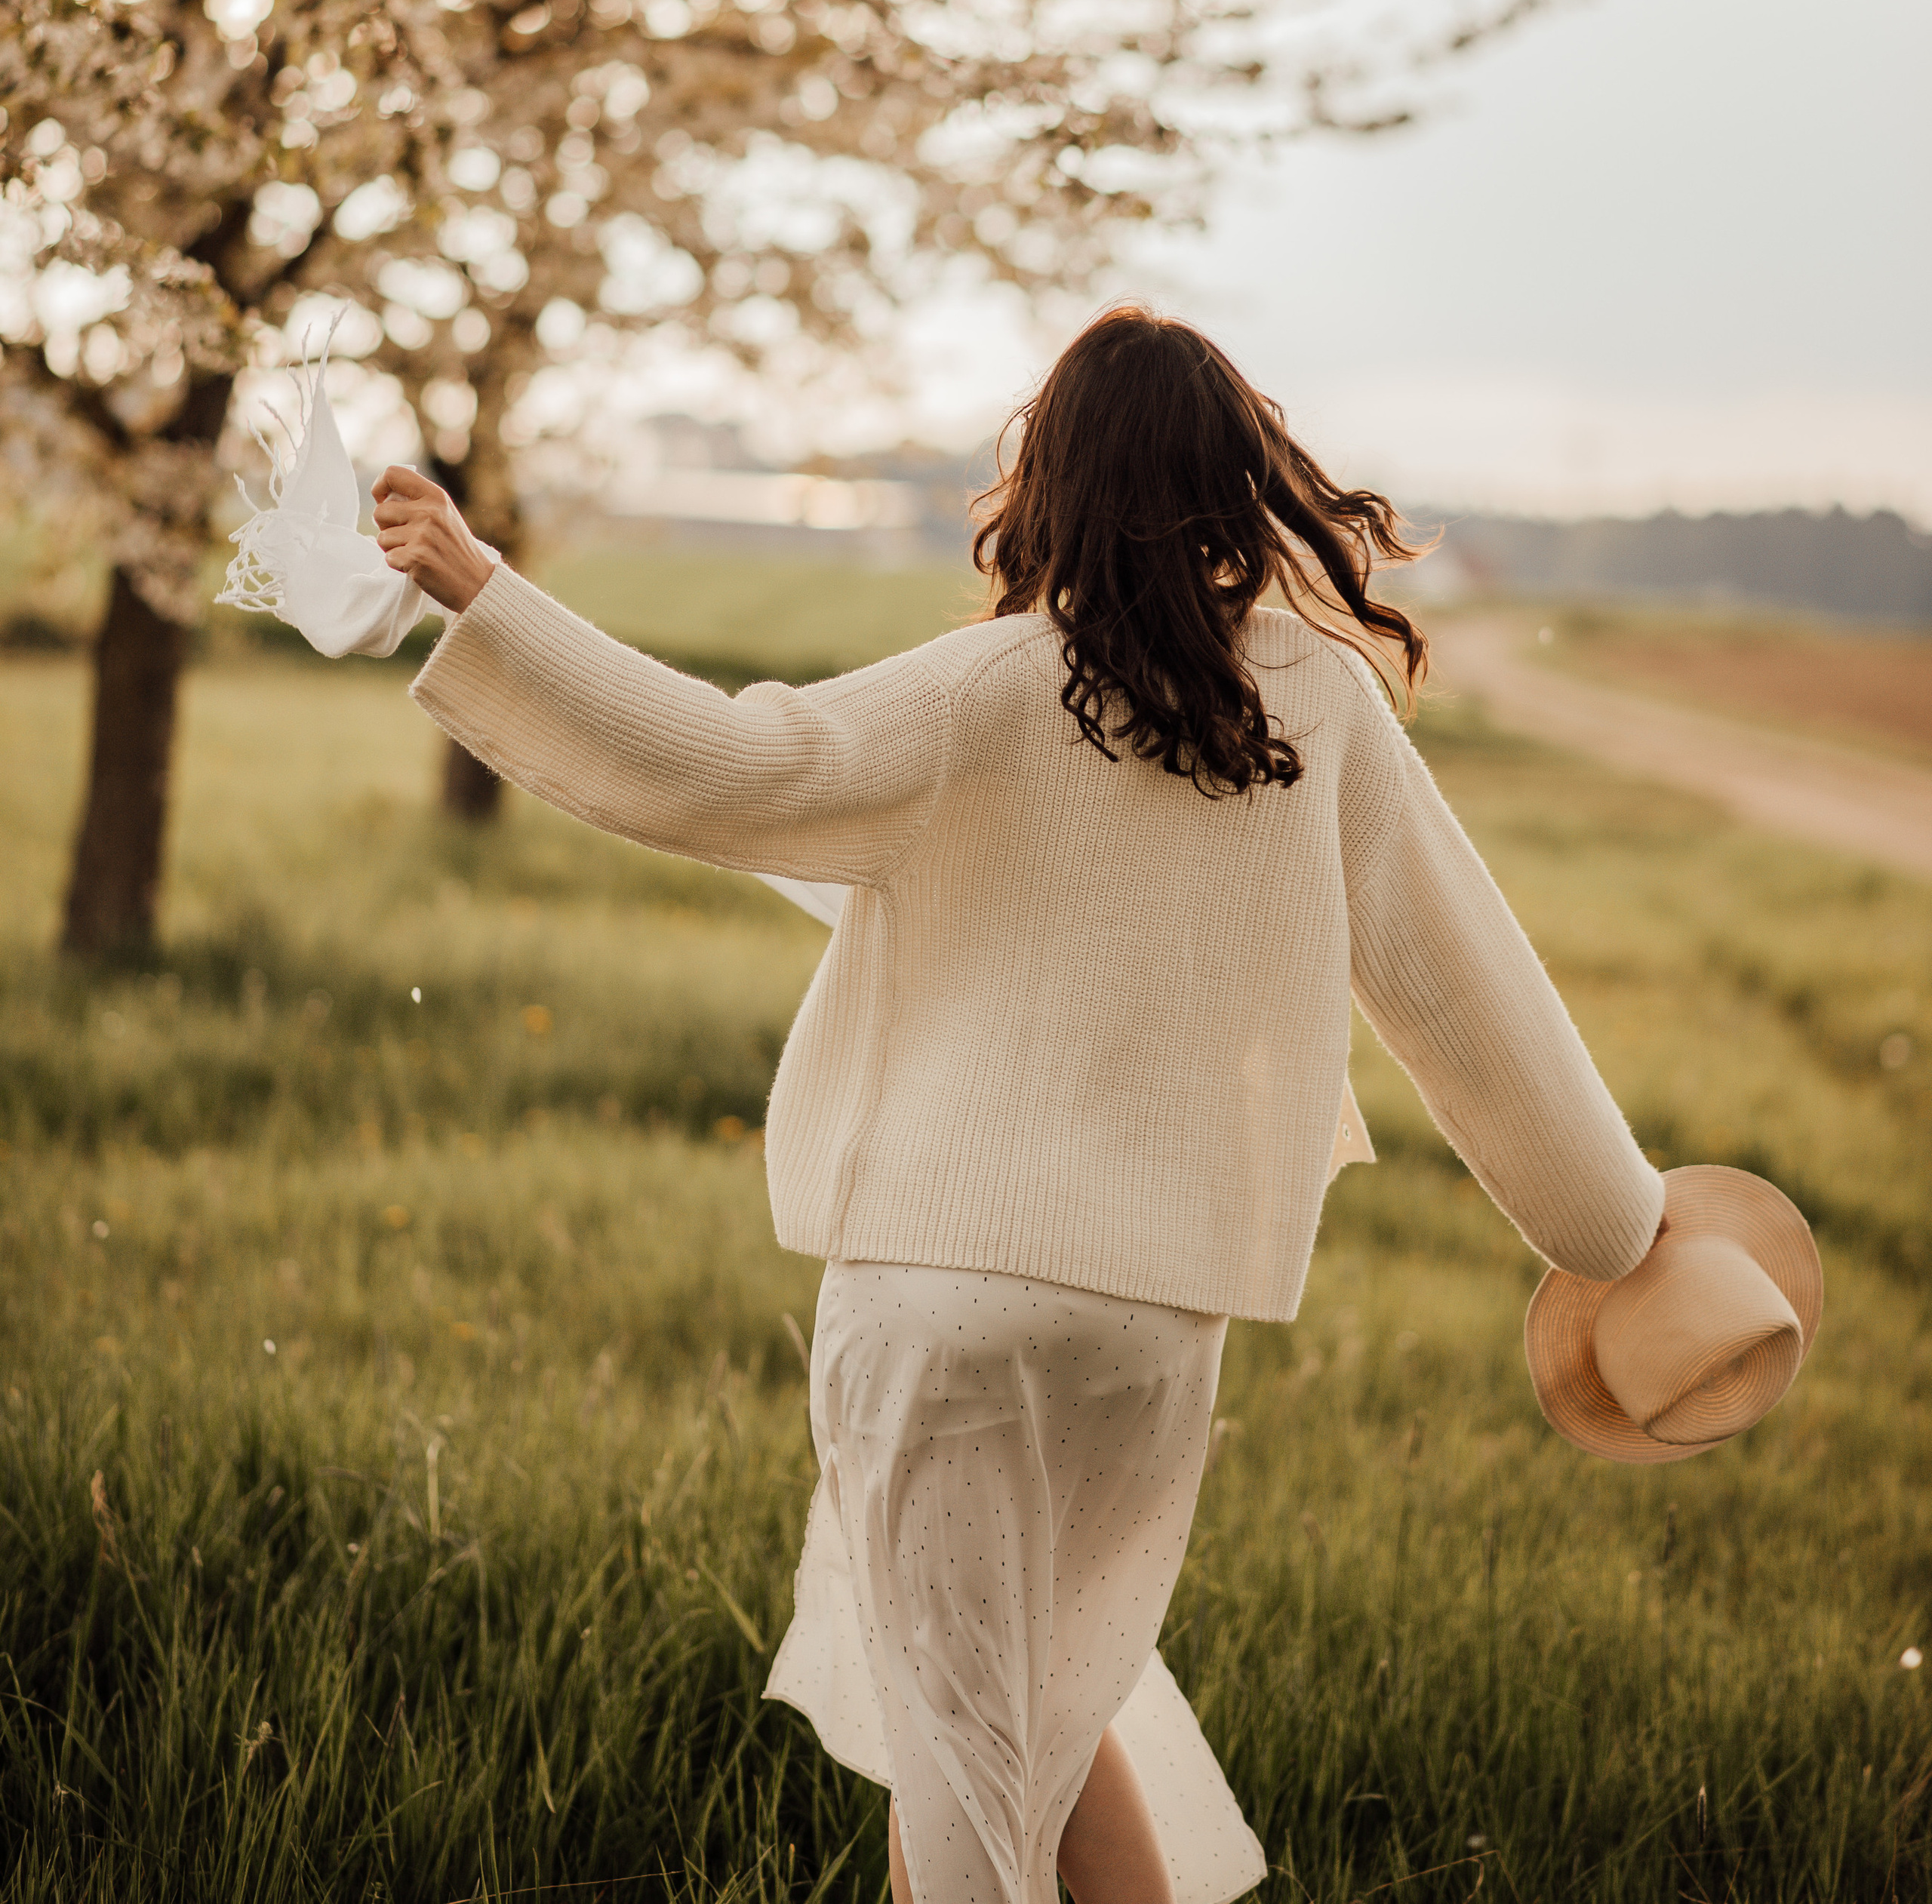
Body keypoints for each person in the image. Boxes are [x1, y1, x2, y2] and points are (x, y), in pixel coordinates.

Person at [371, 306, 1813, 1904]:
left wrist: (484, 589)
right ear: (1239, 483)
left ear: (1044, 478)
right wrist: (1616, 1232)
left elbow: (722, 763)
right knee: (1041, 1723)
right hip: (1150, 1326)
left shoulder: (987, 684)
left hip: (937, 1300)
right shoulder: (1322, 707)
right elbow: (1468, 999)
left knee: (961, 1742)